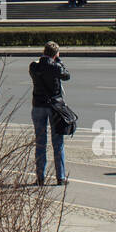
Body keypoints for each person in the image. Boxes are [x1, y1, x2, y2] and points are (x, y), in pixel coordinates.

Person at [29, 40, 71, 186]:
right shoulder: (55, 66)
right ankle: (60, 177)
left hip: (38, 105)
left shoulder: (34, 66)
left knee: (40, 142)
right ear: (55, 54)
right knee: (57, 142)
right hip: (54, 107)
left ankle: (40, 176)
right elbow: (66, 75)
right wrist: (58, 60)